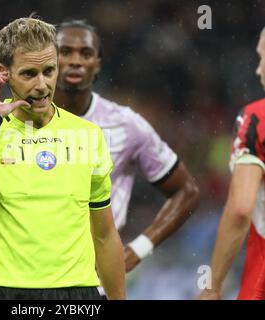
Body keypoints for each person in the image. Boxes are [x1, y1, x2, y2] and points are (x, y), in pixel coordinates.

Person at [0, 17, 125, 300]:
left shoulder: (88, 135)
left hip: (77, 295)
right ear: (3, 74)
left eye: (49, 71)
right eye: (29, 74)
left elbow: (105, 235)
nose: (42, 85)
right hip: (4, 293)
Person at [54, 20, 200, 277]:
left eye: (85, 53)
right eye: (65, 52)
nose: (75, 61)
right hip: (28, 283)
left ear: (97, 64)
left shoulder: (125, 124)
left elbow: (187, 191)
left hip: (96, 284)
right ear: (48, 60)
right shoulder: (22, 121)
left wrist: (138, 249)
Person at [198, 27, 265, 300]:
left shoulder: (256, 118)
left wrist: (212, 286)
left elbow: (240, 208)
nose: (259, 71)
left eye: (263, 59)